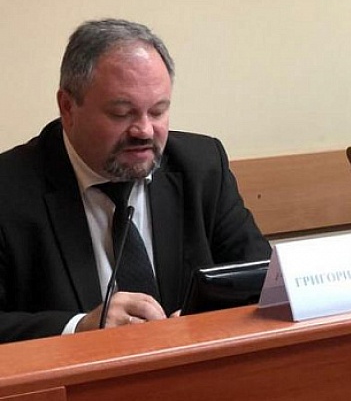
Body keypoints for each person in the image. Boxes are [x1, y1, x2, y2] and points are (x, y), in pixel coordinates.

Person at [0, 19, 271, 344]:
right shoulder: (10, 188)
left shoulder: (201, 167)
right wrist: (79, 327)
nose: (143, 130)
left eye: (157, 112)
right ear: (68, 108)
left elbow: (261, 278)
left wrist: (202, 324)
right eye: (122, 113)